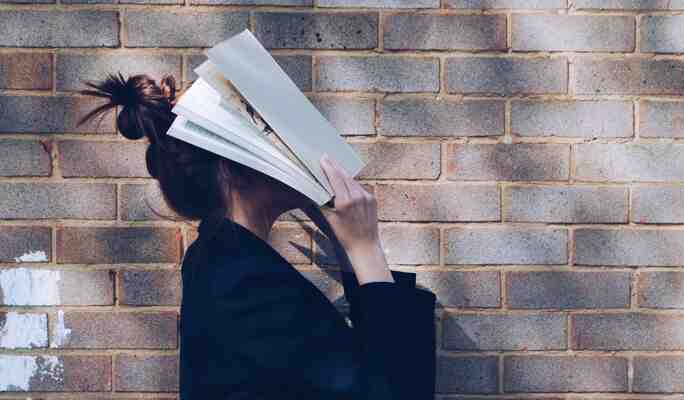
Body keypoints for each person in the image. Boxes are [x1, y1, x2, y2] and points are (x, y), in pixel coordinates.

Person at [77, 72, 437, 399]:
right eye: (270, 136)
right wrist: (365, 247)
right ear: (235, 165)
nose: (292, 147)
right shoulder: (241, 281)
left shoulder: (223, 262)